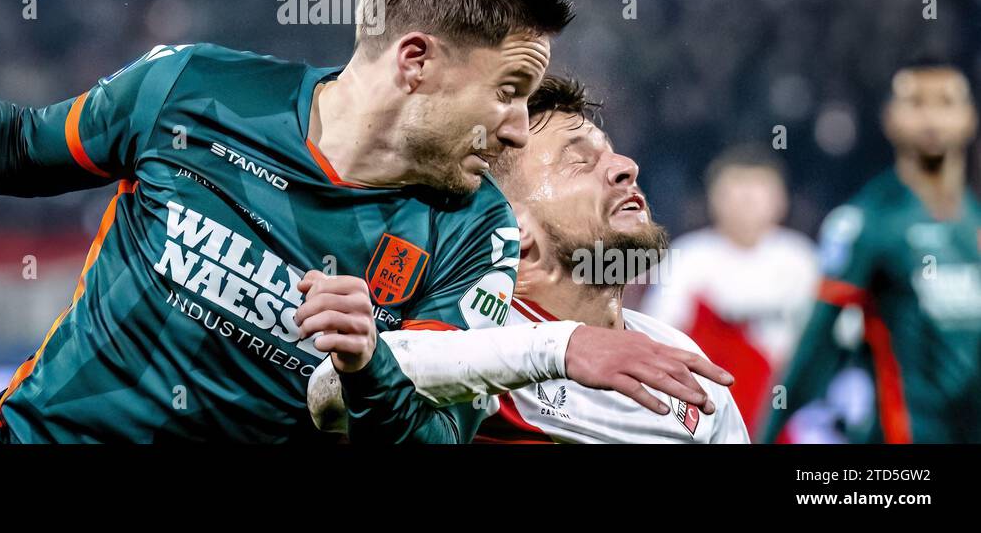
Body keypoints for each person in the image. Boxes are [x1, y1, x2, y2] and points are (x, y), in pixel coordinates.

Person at [0, 0, 728, 443]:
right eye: (508, 88)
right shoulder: (192, 88)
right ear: (415, 57)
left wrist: (369, 365)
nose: (518, 122)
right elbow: (17, 146)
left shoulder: (469, 232)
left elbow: (420, 438)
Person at [308, 75, 747, 443]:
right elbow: (330, 391)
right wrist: (561, 348)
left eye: (612, 151)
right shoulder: (470, 330)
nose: (625, 166)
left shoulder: (688, 370)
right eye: (579, 162)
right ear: (511, 226)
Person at [763, 58, 981, 443]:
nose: (931, 117)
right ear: (890, 118)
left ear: (969, 117)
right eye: (916, 103)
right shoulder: (866, 221)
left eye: (946, 102)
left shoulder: (974, 221)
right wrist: (764, 436)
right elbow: (816, 343)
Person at [643, 145, 818, 436]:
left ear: (780, 198)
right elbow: (660, 335)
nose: (746, 200)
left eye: (758, 188)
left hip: (791, 408)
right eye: (735, 188)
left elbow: (821, 341)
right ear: (713, 197)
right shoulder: (689, 257)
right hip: (711, 408)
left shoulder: (801, 260)